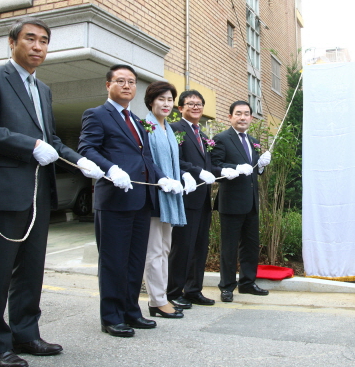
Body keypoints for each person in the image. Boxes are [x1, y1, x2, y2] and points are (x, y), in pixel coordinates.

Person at [0, 17, 104, 367]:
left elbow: (53, 141)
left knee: (30, 270)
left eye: (44, 41)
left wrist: (82, 162)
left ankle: (26, 334)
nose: (37, 47)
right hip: (4, 190)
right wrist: (29, 144)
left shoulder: (43, 89)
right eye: (30, 39)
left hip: (37, 194)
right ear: (12, 42)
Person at [78, 64, 181, 338]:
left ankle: (131, 311)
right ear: (108, 85)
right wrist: (110, 169)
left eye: (131, 82)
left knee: (135, 261)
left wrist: (162, 179)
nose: (127, 86)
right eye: (120, 81)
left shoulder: (137, 121)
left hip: (141, 200)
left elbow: (146, 158)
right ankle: (111, 317)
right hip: (114, 200)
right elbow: (87, 149)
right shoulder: (97, 115)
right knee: (114, 261)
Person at [167, 90, 240, 309]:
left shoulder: (203, 135)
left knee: (200, 247)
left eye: (199, 104)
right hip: (185, 198)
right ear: (180, 108)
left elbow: (210, 167)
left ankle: (193, 290)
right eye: (190, 104)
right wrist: (197, 172)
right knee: (182, 247)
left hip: (203, 200)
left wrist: (228, 170)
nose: (196, 107)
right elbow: (173, 160)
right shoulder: (174, 129)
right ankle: (173, 292)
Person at [211, 101, 271, 302]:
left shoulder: (253, 140)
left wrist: (261, 166)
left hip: (252, 203)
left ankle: (247, 283)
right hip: (231, 203)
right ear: (230, 117)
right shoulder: (221, 139)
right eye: (238, 114)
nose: (243, 117)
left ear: (251, 118)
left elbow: (255, 172)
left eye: (246, 114)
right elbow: (215, 165)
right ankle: (227, 286)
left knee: (250, 246)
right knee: (229, 247)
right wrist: (234, 168)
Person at [142, 82, 192, 319]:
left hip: (170, 196)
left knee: (164, 247)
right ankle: (157, 300)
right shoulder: (146, 126)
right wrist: (164, 179)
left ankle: (160, 297)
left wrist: (183, 175)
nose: (166, 104)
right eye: (161, 99)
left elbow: (174, 161)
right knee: (154, 250)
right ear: (151, 101)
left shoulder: (168, 129)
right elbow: (147, 161)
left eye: (170, 99)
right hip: (154, 195)